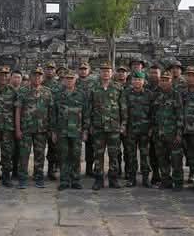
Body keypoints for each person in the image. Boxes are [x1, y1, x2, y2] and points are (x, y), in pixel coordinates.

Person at [88, 61, 127, 190]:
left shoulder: (118, 87)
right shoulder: (93, 88)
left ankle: (113, 179)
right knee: (98, 154)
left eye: (108, 71)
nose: (105, 73)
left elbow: (123, 107)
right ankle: (98, 179)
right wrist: (89, 125)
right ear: (100, 73)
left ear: (112, 73)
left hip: (114, 126)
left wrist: (123, 124)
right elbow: (89, 107)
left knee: (114, 154)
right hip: (98, 126)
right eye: (103, 71)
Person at [15, 67, 55, 189]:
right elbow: (18, 110)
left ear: (42, 77)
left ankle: (39, 177)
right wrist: (18, 129)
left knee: (40, 155)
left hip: (41, 130)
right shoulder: (23, 91)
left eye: (39, 75)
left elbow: (51, 112)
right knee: (24, 155)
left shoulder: (47, 92)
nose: (37, 78)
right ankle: (22, 178)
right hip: (26, 129)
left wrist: (51, 129)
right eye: (34, 75)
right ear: (30, 77)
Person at [54, 69, 89, 190]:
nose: (69, 81)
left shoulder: (81, 94)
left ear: (75, 80)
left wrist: (85, 130)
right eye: (67, 78)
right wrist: (54, 131)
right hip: (62, 130)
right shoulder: (58, 95)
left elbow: (86, 113)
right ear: (63, 80)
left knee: (76, 155)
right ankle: (64, 180)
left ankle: (75, 180)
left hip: (77, 130)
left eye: (71, 78)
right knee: (63, 156)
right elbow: (54, 113)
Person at [151, 71, 184, 190]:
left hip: (172, 133)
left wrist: (179, 134)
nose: (164, 82)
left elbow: (180, 116)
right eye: (162, 80)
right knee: (162, 159)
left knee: (176, 159)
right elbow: (153, 115)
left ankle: (178, 182)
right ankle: (166, 181)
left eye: (167, 80)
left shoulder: (176, 95)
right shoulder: (156, 95)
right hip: (159, 134)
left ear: (171, 81)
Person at [123, 70, 153, 187]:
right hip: (131, 130)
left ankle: (145, 178)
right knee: (131, 155)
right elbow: (123, 111)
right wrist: (124, 126)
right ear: (131, 81)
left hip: (145, 130)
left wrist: (151, 128)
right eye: (135, 80)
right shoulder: (126, 93)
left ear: (143, 81)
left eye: (139, 80)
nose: (137, 82)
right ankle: (132, 178)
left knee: (145, 155)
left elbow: (153, 113)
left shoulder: (149, 94)